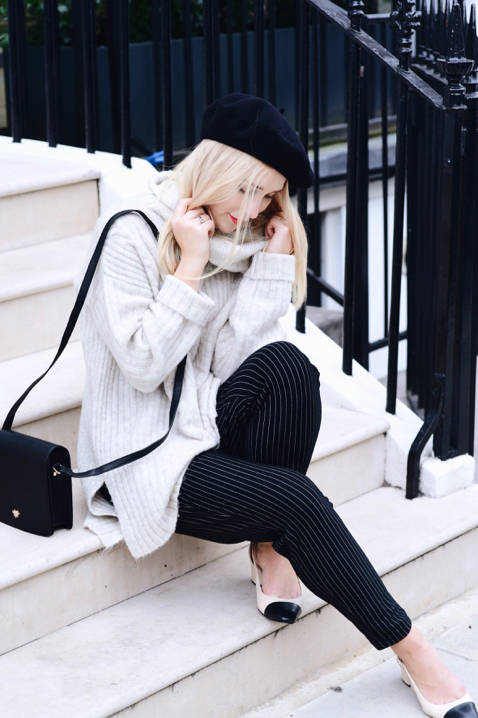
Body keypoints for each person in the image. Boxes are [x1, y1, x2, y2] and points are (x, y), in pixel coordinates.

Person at [76, 93, 476, 718]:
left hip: (199, 422)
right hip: (145, 453)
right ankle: (412, 648)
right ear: (215, 168)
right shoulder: (129, 231)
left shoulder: (235, 237)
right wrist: (190, 265)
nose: (253, 209)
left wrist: (269, 268)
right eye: (248, 190)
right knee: (295, 499)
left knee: (292, 368)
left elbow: (231, 362)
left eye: (268, 196)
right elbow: (145, 366)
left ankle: (269, 548)